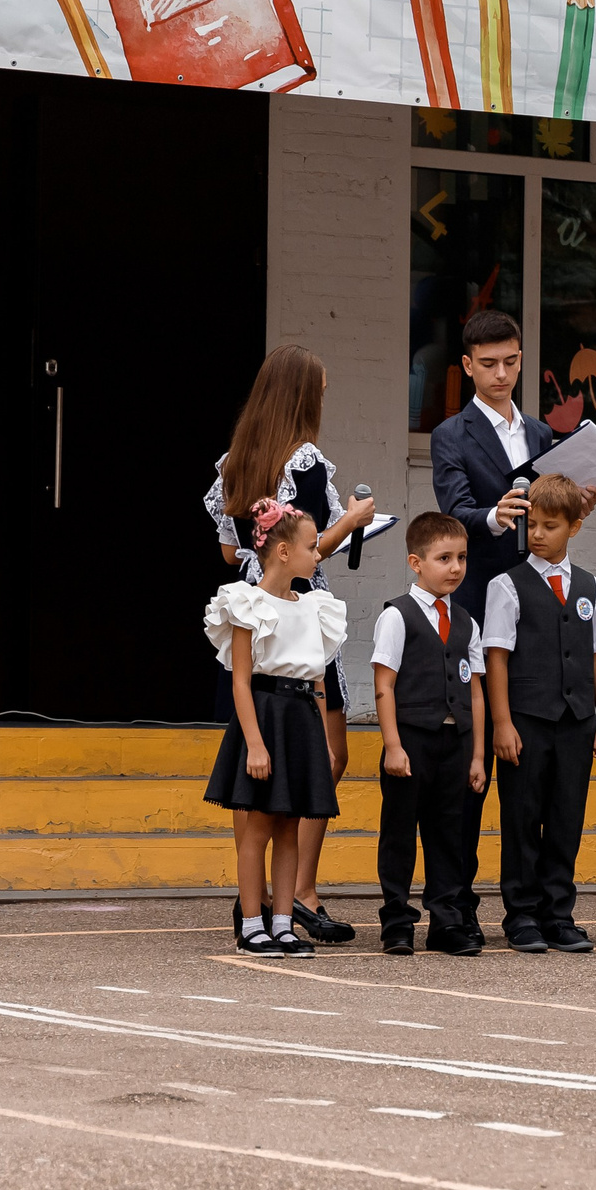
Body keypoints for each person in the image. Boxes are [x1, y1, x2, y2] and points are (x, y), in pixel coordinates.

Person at [428, 310, 596, 933]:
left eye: (512, 361)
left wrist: (578, 501)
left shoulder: (541, 431)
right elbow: (454, 508)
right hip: (481, 601)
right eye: (489, 364)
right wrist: (493, 517)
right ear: (468, 366)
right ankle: (458, 908)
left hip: (545, 612)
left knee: (546, 778)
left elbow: (554, 507)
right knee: (473, 764)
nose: (502, 374)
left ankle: (542, 908)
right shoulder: (451, 433)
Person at [208, 344, 378, 949]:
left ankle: (250, 901)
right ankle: (300, 896)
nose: (324, 402)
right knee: (325, 756)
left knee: (256, 768)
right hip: (302, 610)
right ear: (304, 396)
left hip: (254, 608)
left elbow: (234, 551)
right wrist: (354, 520)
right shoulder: (304, 458)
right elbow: (312, 546)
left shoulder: (238, 459)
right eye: (322, 393)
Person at [482, 473, 596, 955]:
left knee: (566, 818)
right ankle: (521, 914)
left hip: (577, 720)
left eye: (550, 526)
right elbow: (496, 657)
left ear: (574, 528)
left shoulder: (589, 586)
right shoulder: (507, 584)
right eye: (532, 525)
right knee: (522, 817)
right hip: (525, 720)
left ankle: (558, 913)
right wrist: (502, 722)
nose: (538, 534)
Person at [203, 501, 346, 957]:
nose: (318, 553)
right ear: (283, 551)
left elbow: (320, 685)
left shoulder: (317, 607)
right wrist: (255, 745)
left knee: (290, 828)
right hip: (265, 718)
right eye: (311, 546)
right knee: (258, 829)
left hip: (301, 720)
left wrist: (324, 741)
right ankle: (251, 925)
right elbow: (241, 683)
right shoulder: (248, 604)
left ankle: (283, 924)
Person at [370, 512, 487, 958]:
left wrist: (477, 755)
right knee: (400, 834)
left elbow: (475, 692)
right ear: (416, 562)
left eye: (461, 558)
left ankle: (446, 922)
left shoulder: (466, 623)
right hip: (412, 742)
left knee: (449, 837)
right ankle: (397, 922)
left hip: (455, 744)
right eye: (444, 558)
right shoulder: (398, 616)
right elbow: (384, 686)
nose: (455, 567)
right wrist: (393, 745)